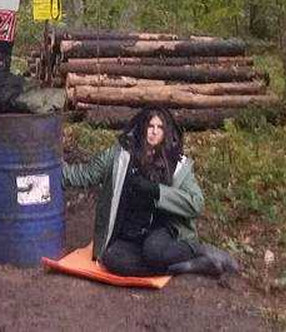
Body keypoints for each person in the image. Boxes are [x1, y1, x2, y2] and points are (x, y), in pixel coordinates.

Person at [63, 108, 237, 277]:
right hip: (131, 231)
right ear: (142, 127)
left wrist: (157, 191)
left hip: (161, 229)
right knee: (112, 258)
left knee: (153, 251)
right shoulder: (120, 156)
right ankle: (184, 266)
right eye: (150, 126)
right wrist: (52, 171)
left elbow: (196, 203)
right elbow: (86, 175)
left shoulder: (176, 164)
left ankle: (199, 251)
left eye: (159, 128)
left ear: (166, 132)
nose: (154, 132)